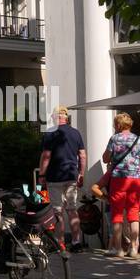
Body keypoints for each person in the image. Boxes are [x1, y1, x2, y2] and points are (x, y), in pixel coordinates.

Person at [39, 106, 87, 251]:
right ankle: (76, 242)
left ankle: (60, 243)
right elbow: (82, 155)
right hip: (71, 176)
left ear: (55, 117)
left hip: (55, 176)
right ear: (66, 117)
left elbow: (46, 156)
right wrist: (81, 173)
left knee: (57, 211)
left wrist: (41, 174)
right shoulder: (76, 133)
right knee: (72, 209)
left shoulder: (50, 133)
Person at [102, 113, 140, 258]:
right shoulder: (139, 140)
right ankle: (134, 248)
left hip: (119, 179)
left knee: (117, 214)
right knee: (133, 213)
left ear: (118, 125)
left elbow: (105, 159)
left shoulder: (114, 139)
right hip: (136, 179)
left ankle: (118, 249)